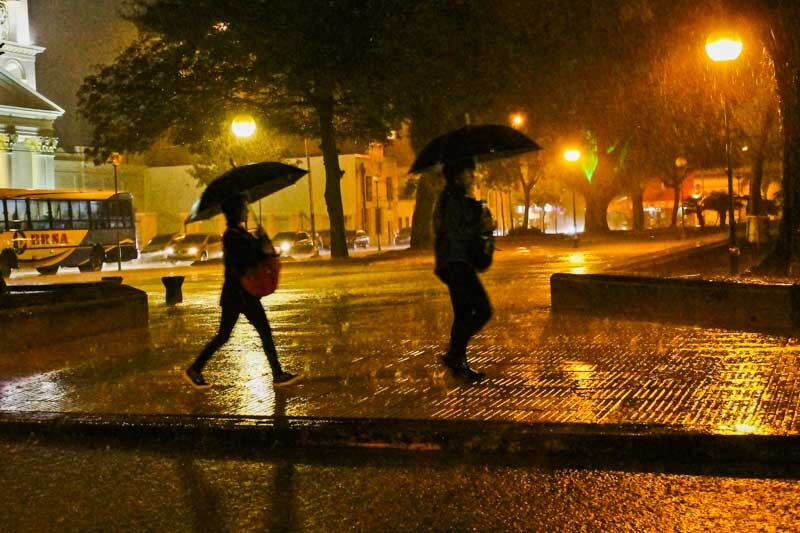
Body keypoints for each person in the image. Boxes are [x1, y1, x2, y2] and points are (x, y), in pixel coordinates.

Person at [183, 194, 301, 389]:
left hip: (242, 293)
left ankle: (277, 373)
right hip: (238, 294)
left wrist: (261, 240)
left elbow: (253, 253)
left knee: (252, 332)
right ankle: (195, 369)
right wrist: (261, 246)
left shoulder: (239, 233)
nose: (246, 211)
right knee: (232, 334)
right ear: (236, 211)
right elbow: (247, 259)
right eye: (243, 208)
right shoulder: (232, 236)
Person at [434, 157, 494, 383]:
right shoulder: (453, 200)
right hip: (456, 262)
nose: (473, 177)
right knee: (482, 309)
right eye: (469, 173)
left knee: (463, 314)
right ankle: (454, 355)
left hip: (455, 261)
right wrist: (481, 226)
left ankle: (457, 361)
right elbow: (455, 230)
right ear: (458, 176)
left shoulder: (454, 198)